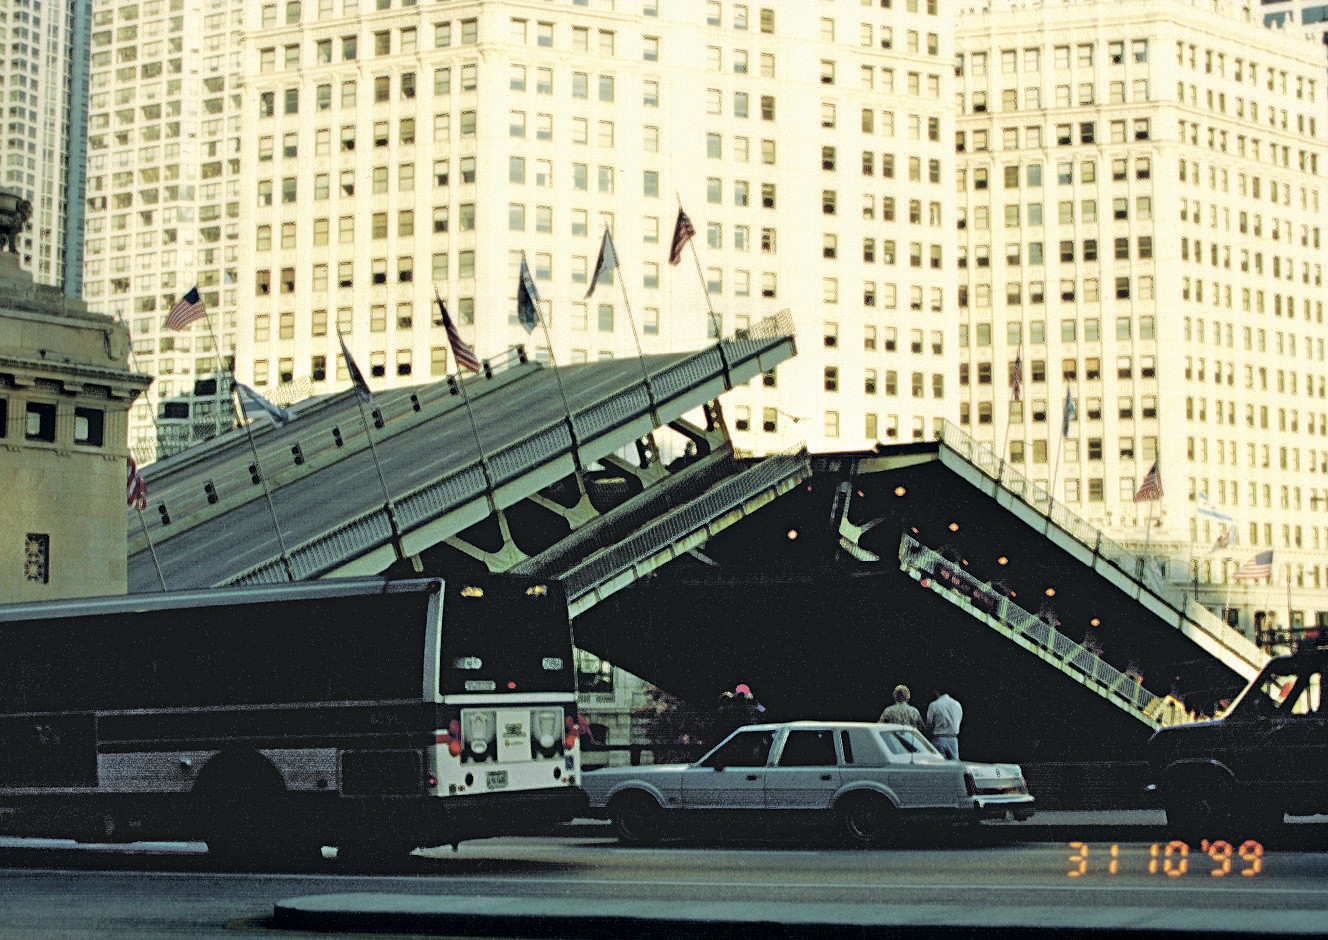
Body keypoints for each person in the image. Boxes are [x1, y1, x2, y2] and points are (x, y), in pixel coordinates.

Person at [926, 687, 963, 760]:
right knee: (954, 764)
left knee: (939, 764)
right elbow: (959, 719)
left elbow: (929, 723)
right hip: (953, 739)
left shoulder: (934, 705)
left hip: (939, 738)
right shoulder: (957, 704)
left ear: (936, 692)